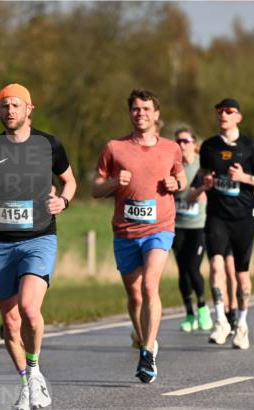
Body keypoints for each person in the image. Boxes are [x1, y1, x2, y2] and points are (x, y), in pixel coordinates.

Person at [0, 84, 76, 410]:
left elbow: (70, 180)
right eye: (4, 106)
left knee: (29, 308)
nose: (9, 111)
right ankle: (27, 383)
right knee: (10, 323)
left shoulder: (49, 144)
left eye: (16, 105)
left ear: (30, 109)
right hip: (2, 241)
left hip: (39, 237)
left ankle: (36, 370)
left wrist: (64, 201)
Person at [92, 89, 185, 383]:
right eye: (135, 109)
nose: (140, 113)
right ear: (130, 113)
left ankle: (147, 352)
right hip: (125, 231)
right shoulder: (114, 148)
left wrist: (176, 183)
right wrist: (112, 183)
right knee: (134, 296)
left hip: (160, 228)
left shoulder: (171, 148)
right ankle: (143, 336)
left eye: (146, 109)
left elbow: (181, 177)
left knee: (149, 286)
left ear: (156, 114)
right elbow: (95, 189)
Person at [194, 98, 254, 349]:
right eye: (219, 111)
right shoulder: (208, 146)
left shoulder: (250, 146)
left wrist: (243, 177)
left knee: (242, 277)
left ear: (239, 117)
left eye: (229, 111)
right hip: (217, 216)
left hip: (243, 218)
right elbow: (204, 174)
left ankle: (242, 325)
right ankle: (220, 321)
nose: (223, 115)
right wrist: (206, 181)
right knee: (216, 267)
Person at [171, 127, 211, 333]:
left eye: (186, 141)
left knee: (193, 267)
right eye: (178, 141)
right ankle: (189, 314)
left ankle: (203, 307)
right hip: (177, 226)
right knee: (182, 271)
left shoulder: (202, 164)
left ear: (194, 144)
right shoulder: (172, 165)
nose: (181, 145)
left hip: (199, 226)